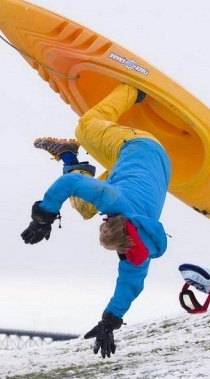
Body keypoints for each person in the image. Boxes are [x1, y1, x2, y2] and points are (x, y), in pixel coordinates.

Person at [20, 83, 171, 358]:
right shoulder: (113, 201)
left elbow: (131, 284)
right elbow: (69, 183)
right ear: (115, 222)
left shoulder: (141, 249)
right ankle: (132, 91)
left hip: (143, 170)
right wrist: (44, 216)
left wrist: (109, 320)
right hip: (139, 145)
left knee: (84, 209)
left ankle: (67, 153)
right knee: (86, 126)